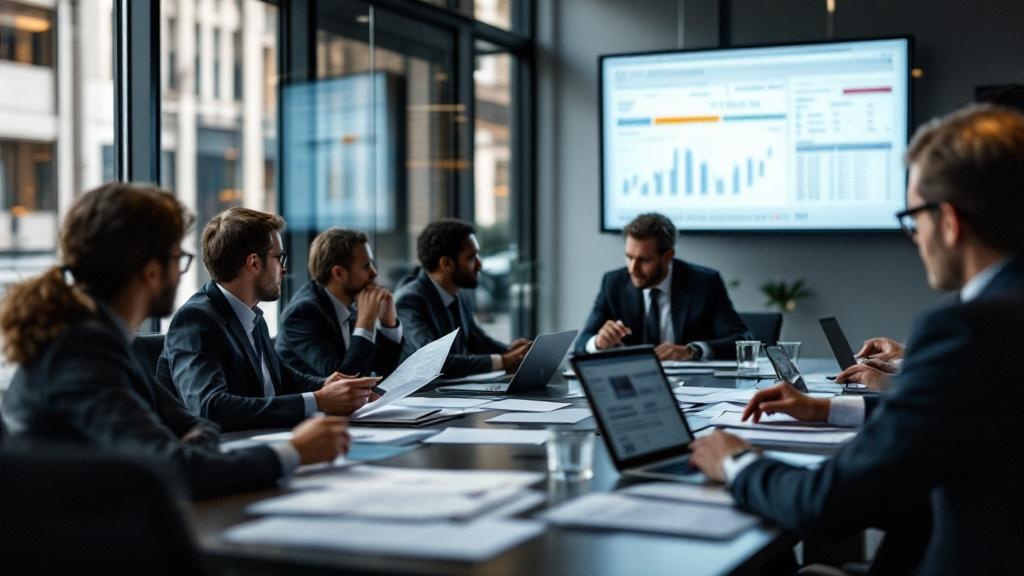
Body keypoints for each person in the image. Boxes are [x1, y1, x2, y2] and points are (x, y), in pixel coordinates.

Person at [689, 105, 1024, 574]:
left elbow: (826, 504)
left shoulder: (969, 332)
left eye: (914, 218)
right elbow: (961, 420)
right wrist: (826, 408)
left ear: (948, 221)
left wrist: (737, 463)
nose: (915, 237)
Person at [0, 183, 349, 499]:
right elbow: (173, 468)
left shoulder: (101, 341)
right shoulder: (79, 354)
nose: (182, 272)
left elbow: (197, 425)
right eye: (178, 259)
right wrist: (293, 452)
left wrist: (193, 441)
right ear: (150, 271)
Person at [159, 208, 379, 431]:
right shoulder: (195, 320)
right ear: (254, 263)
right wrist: (318, 400)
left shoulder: (252, 315)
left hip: (266, 438)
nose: (284, 269)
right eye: (279, 258)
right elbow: (210, 408)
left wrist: (325, 384)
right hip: (224, 453)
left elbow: (281, 378)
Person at [576, 212, 750, 359]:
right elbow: (582, 344)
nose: (633, 268)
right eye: (629, 257)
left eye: (644, 260)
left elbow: (742, 339)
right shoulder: (613, 283)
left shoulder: (704, 283)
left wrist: (693, 350)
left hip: (692, 386)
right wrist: (598, 342)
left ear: (668, 256)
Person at [395, 219, 530, 378]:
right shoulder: (409, 300)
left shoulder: (459, 294)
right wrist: (503, 361)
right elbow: (432, 360)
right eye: (472, 257)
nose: (480, 264)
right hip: (420, 396)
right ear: (446, 263)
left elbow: (475, 339)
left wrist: (513, 351)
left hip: (451, 392)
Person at [276, 228, 402, 378]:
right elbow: (342, 378)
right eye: (366, 266)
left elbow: (380, 371)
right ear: (338, 273)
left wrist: (389, 323)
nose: (374, 273)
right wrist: (365, 321)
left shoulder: (351, 303)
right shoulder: (303, 313)